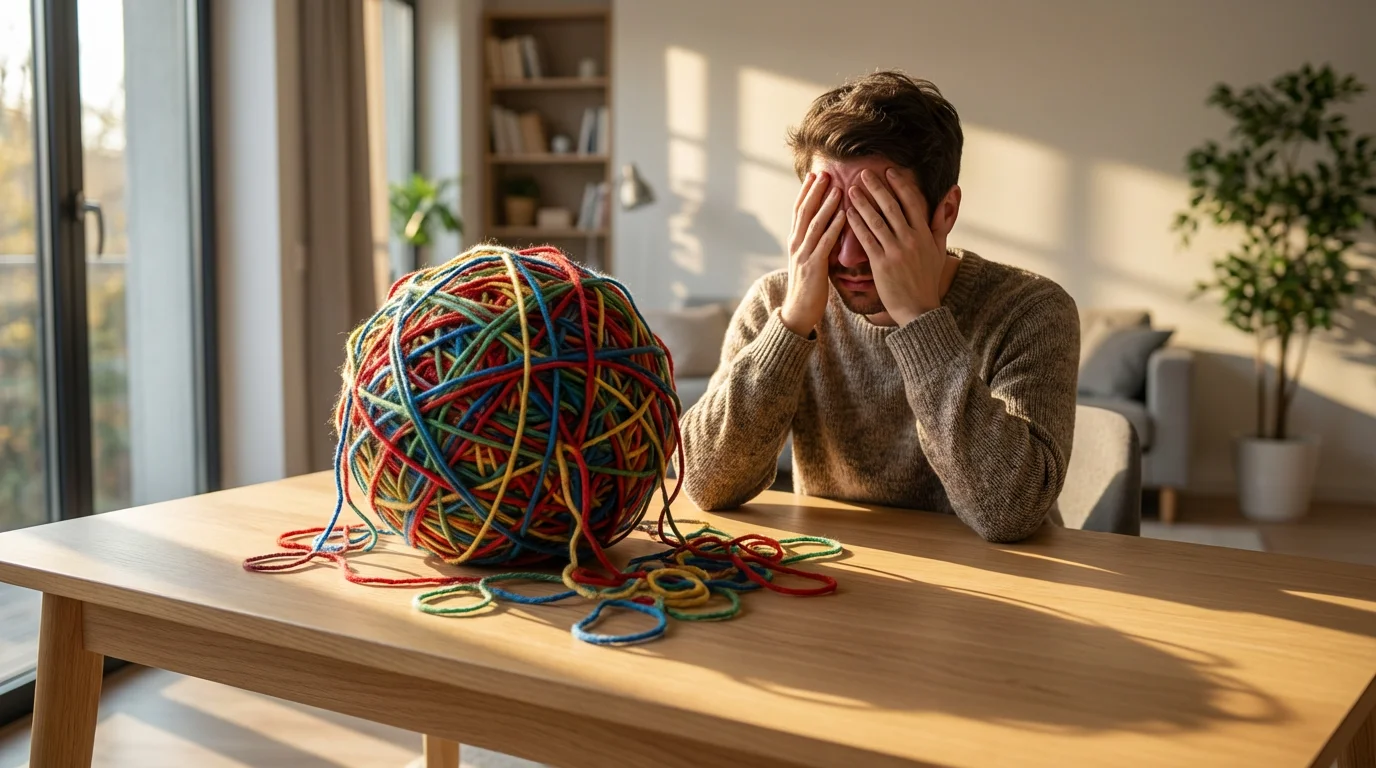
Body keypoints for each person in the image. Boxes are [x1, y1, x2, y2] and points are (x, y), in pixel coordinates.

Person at [677, 71, 1080, 543]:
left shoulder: (1031, 310)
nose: (847, 256)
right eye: (830, 217)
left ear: (945, 212)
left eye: (878, 220)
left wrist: (921, 321)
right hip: (847, 577)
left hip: (1011, 586)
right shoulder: (776, 302)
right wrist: (791, 325)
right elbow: (705, 484)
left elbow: (1010, 512)